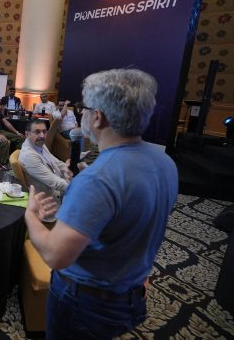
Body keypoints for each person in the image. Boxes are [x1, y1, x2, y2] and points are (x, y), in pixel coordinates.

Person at [24, 68, 178, 339]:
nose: (81, 115)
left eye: (84, 109)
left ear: (98, 117)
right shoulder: (165, 162)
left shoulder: (98, 179)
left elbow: (55, 255)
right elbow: (128, 218)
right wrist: (84, 185)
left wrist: (31, 217)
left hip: (85, 303)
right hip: (130, 293)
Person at [19, 119, 70, 197]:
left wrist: (73, 171)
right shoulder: (29, 156)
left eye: (44, 131)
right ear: (27, 134)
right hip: (51, 195)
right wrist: (77, 186)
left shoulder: (39, 145)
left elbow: (58, 164)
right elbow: (55, 182)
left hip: (60, 183)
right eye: (37, 132)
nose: (42, 135)